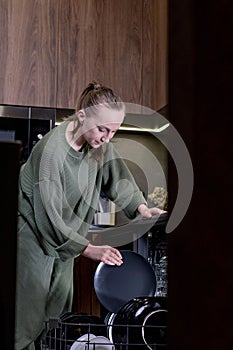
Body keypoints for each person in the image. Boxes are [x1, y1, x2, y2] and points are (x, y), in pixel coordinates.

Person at [15, 81, 165, 349]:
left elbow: (117, 177)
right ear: (82, 116)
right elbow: (48, 217)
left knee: (57, 316)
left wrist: (142, 207)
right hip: (34, 236)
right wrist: (88, 248)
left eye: (113, 131)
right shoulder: (50, 153)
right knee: (28, 317)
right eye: (102, 129)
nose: (107, 137)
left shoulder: (99, 145)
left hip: (67, 241)